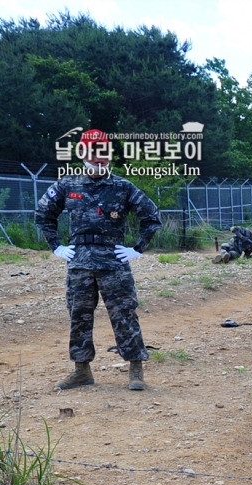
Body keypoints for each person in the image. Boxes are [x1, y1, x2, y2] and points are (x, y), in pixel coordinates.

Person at [36, 128, 161, 393]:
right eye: (93, 153)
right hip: (79, 263)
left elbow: (151, 216)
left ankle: (135, 368)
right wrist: (56, 246)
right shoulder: (67, 185)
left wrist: (137, 248)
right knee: (78, 316)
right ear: (82, 154)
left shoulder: (123, 187)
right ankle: (81, 370)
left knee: (124, 314)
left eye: (103, 154)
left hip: (113, 263)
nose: (99, 159)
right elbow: (43, 212)